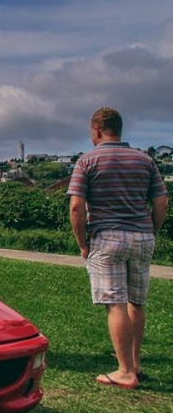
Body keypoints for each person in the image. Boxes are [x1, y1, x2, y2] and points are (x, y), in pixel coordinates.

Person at [67, 107, 168, 390]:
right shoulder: (145, 160)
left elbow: (76, 207)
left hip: (107, 236)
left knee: (115, 303)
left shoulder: (87, 161)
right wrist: (152, 229)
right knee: (137, 301)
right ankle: (135, 363)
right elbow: (161, 203)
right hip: (142, 235)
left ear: (97, 130)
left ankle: (125, 371)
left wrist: (83, 243)